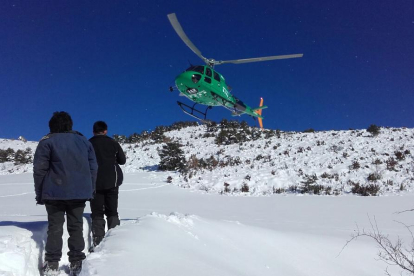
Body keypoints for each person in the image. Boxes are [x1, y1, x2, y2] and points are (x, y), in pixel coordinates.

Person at [33, 111, 98, 275]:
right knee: (75, 226)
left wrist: (40, 193)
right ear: (70, 125)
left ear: (52, 126)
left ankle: (52, 264)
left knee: (55, 227)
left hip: (54, 192)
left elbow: (39, 170)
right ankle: (77, 262)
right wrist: (90, 189)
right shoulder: (84, 142)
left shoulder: (47, 142)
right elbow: (93, 168)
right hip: (79, 192)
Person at [89, 121, 126, 250]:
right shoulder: (113, 143)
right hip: (112, 181)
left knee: (97, 212)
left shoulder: (88, 144)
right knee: (112, 211)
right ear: (105, 131)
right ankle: (115, 241)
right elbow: (122, 160)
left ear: (93, 131)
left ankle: (98, 242)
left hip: (94, 182)